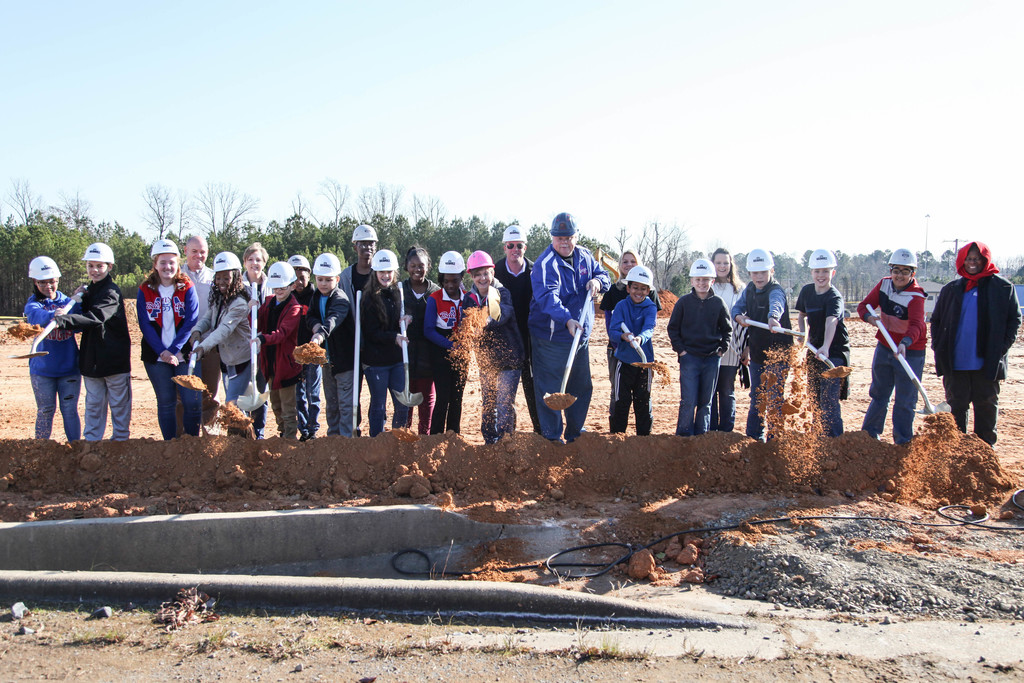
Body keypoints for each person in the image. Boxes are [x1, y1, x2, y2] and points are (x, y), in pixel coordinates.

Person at [528, 212, 610, 443]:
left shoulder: (584, 256)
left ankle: (575, 434)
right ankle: (553, 438)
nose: (564, 242)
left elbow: (604, 275)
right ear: (552, 238)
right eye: (559, 238)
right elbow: (547, 297)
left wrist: (598, 282)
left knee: (580, 386)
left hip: (579, 336)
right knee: (550, 389)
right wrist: (566, 319)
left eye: (569, 237)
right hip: (550, 338)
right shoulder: (546, 264)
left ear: (576, 236)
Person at [931, 241, 1021, 445]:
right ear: (963, 261)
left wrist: (1001, 348)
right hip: (956, 364)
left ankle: (985, 457)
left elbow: (1014, 320)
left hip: (987, 364)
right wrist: (938, 346)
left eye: (977, 259)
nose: (972, 263)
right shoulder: (951, 289)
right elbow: (936, 321)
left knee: (986, 409)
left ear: (985, 260)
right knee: (956, 410)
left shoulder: (1003, 288)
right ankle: (956, 456)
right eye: (969, 259)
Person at [53, 242, 132, 441]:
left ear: (109, 267)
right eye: (90, 266)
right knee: (94, 405)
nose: (94, 270)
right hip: (91, 361)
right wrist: (78, 298)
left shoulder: (111, 293)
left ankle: (120, 442)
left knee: (119, 405)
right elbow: (83, 314)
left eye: (99, 266)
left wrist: (63, 321)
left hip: (114, 361)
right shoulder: (90, 291)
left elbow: (95, 317)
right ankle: (92, 444)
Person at [857, 248, 927, 445]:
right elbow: (863, 306)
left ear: (913, 273)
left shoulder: (916, 296)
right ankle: (869, 437)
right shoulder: (884, 285)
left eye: (905, 271)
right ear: (891, 270)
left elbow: (917, 326)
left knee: (905, 401)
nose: (900, 275)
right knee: (879, 394)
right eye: (896, 270)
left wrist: (905, 343)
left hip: (910, 352)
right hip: (885, 347)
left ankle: (902, 442)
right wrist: (870, 318)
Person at [137, 238, 201, 440]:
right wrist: (162, 352)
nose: (167, 267)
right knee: (166, 401)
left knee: (192, 401)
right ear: (155, 264)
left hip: (183, 353)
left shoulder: (186, 286)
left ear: (178, 263)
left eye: (172, 262)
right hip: (156, 356)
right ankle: (170, 444)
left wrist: (173, 350)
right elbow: (145, 324)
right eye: (162, 262)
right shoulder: (145, 289)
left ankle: (191, 442)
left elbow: (191, 320)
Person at [463, 250, 524, 443]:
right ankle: (490, 441)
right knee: (489, 404)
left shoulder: (499, 292)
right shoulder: (469, 298)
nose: (483, 278)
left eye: (486, 273)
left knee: (504, 404)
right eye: (478, 274)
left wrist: (483, 322)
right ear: (471, 276)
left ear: (493, 273)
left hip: (509, 358)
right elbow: (466, 323)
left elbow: (499, 316)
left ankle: (506, 442)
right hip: (487, 361)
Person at [732, 249, 792, 441]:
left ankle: (775, 439)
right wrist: (739, 316)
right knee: (758, 397)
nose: (759, 277)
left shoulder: (776, 290)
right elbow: (737, 307)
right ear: (750, 273)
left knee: (774, 397)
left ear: (771, 271)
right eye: (755, 273)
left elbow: (777, 304)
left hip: (779, 353)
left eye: (763, 272)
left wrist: (773, 318)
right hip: (758, 352)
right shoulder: (749, 289)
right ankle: (754, 438)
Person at [668, 259, 732, 436]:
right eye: (698, 279)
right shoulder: (683, 303)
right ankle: (684, 436)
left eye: (706, 279)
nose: (702, 283)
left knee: (706, 401)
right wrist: (681, 350)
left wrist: (721, 350)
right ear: (692, 281)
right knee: (688, 400)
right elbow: (673, 328)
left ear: (712, 281)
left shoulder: (718, 303)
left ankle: (701, 437)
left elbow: (727, 330)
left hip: (711, 359)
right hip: (690, 358)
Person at [600, 249, 661, 428]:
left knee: (643, 400)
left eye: (643, 288)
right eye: (635, 287)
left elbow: (650, 328)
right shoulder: (620, 306)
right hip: (624, 360)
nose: (638, 292)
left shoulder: (650, 308)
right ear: (628, 288)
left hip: (644, 361)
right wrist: (622, 337)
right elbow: (612, 331)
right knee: (621, 400)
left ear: (648, 290)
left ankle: (644, 439)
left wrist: (640, 339)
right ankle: (618, 438)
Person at [24, 256, 81, 441]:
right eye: (42, 282)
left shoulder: (68, 302)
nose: (48, 286)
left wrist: (74, 307)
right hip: (42, 371)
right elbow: (34, 316)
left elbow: (80, 323)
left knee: (70, 410)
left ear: (58, 280)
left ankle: (76, 448)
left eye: (52, 281)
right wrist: (52, 314)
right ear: (35, 281)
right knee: (45, 410)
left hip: (69, 369)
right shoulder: (34, 304)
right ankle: (41, 449)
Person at [795, 249, 850, 437]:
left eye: (825, 271)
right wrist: (804, 334)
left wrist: (826, 346)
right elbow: (802, 315)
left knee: (829, 399)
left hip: (833, 353)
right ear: (811, 272)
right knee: (814, 397)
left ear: (832, 273)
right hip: (814, 349)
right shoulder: (807, 291)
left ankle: (834, 440)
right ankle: (818, 436)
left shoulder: (834, 297)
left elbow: (831, 321)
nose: (821, 276)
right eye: (817, 271)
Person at [190, 252, 252, 411]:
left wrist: (203, 347)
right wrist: (197, 330)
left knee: (232, 404)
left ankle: (240, 435)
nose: (221, 282)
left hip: (241, 359)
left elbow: (223, 330)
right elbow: (207, 318)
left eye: (226, 278)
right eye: (218, 278)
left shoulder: (239, 303)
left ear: (236, 277)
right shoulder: (219, 298)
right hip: (226, 359)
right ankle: (239, 435)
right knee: (235, 404)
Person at [494, 225, 541, 434]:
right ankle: (507, 437)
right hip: (506, 339)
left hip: (530, 339)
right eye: (510, 245)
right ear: (505, 247)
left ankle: (541, 432)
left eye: (519, 246)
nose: (515, 249)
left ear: (525, 247)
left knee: (533, 389)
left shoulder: (535, 271)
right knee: (506, 392)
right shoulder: (495, 272)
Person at [361, 249, 411, 436]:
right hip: (376, 363)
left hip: (396, 360)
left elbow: (401, 319)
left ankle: (397, 440)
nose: (386, 275)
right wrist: (394, 337)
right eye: (382, 271)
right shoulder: (368, 298)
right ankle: (377, 442)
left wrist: (407, 318)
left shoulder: (397, 293)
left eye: (389, 271)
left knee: (402, 404)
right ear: (375, 272)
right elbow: (371, 332)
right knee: (379, 407)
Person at [255, 262, 303, 439]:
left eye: (282, 287)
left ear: (292, 285)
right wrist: (252, 309)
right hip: (269, 362)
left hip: (286, 365)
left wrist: (263, 339)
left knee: (288, 406)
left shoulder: (294, 308)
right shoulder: (268, 302)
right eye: (275, 287)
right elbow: (257, 322)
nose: (279, 290)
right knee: (275, 404)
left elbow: (282, 334)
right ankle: (282, 432)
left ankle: (290, 441)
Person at [337, 224, 377, 436]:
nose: (366, 247)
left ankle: (376, 437)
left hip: (374, 346)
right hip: (351, 346)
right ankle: (353, 434)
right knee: (352, 394)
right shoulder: (345, 277)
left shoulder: (381, 274)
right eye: (362, 243)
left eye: (370, 243)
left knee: (377, 394)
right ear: (355, 246)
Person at [305, 253, 351, 436]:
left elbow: (333, 319)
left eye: (328, 279)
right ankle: (333, 439)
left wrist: (319, 335)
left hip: (344, 360)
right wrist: (315, 325)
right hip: (327, 361)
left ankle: (347, 441)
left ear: (337, 279)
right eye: (320, 279)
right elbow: (310, 316)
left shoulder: (341, 298)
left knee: (345, 404)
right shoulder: (316, 296)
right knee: (331, 403)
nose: (323, 283)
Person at [425, 250, 467, 435]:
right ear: (441, 279)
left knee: (457, 398)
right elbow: (428, 331)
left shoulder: (468, 298)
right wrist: (451, 345)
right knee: (443, 397)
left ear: (461, 278)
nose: (450, 285)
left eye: (454, 280)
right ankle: (435, 437)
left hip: (462, 355)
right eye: (446, 281)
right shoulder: (434, 299)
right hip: (440, 353)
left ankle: (453, 436)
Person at [180, 235, 220, 417]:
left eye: (202, 252)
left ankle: (208, 437)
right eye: (194, 251)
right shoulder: (176, 277)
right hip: (182, 344)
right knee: (182, 393)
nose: (198, 255)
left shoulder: (215, 278)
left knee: (209, 393)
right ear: (185, 251)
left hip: (209, 343)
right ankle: (182, 439)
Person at [401, 247, 439, 434]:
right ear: (406, 266)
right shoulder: (399, 290)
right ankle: (405, 435)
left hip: (428, 358)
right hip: (404, 358)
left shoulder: (436, 292)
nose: (417, 269)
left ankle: (425, 436)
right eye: (413, 265)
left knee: (427, 400)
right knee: (406, 399)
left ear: (428, 267)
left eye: (421, 265)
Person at [710, 248, 747, 432]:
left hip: (732, 349)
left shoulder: (740, 290)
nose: (722, 266)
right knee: (710, 392)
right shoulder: (708, 287)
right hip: (709, 349)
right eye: (718, 263)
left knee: (726, 391)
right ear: (712, 264)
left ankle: (726, 432)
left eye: (725, 263)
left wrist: (746, 349)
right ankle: (712, 432)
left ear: (731, 264)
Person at [242, 242, 273, 438]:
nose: (255, 263)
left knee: (261, 390)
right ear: (245, 262)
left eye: (259, 260)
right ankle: (243, 432)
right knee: (243, 391)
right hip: (242, 348)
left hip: (265, 347)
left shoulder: (271, 285)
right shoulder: (237, 286)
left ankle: (259, 432)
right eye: (251, 259)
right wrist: (247, 307)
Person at [288, 254, 320, 441]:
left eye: (302, 277)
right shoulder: (287, 296)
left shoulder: (315, 296)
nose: (299, 282)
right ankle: (304, 430)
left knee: (313, 393)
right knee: (298, 394)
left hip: (312, 352)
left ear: (309, 275)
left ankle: (313, 428)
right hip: (293, 353)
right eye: (294, 278)